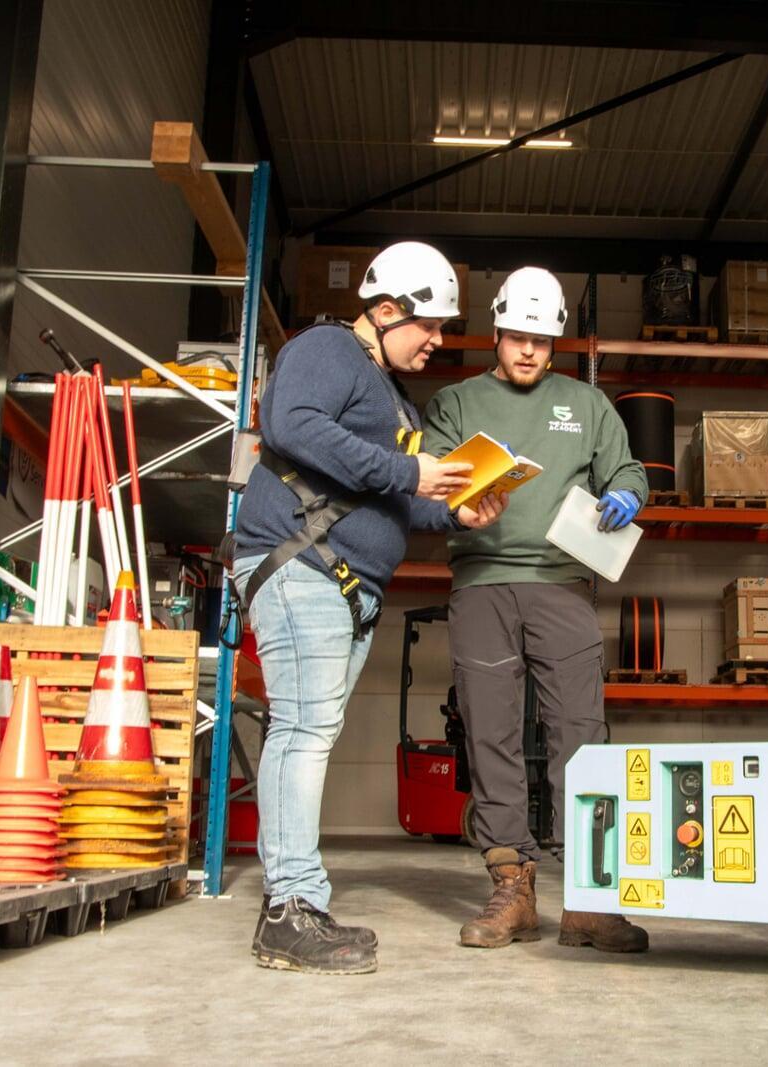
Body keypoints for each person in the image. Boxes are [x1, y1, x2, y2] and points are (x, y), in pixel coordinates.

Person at [233, 241, 507, 975]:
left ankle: (295, 902)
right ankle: (290, 908)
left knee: (309, 729)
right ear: (385, 311)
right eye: (430, 325)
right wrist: (409, 468)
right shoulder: (328, 349)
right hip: (301, 563)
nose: (438, 341)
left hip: (341, 580)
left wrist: (455, 514)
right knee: (304, 730)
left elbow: (388, 496)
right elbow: (289, 423)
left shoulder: (390, 398)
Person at [422, 266, 650, 953]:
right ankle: (511, 887)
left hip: (562, 584)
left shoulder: (587, 405)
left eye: (543, 341)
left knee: (581, 730)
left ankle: (587, 896)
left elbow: (627, 469)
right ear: (497, 331)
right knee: (490, 730)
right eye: (519, 337)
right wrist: (450, 500)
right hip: (483, 582)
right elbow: (428, 484)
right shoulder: (455, 402)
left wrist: (630, 493)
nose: (529, 351)